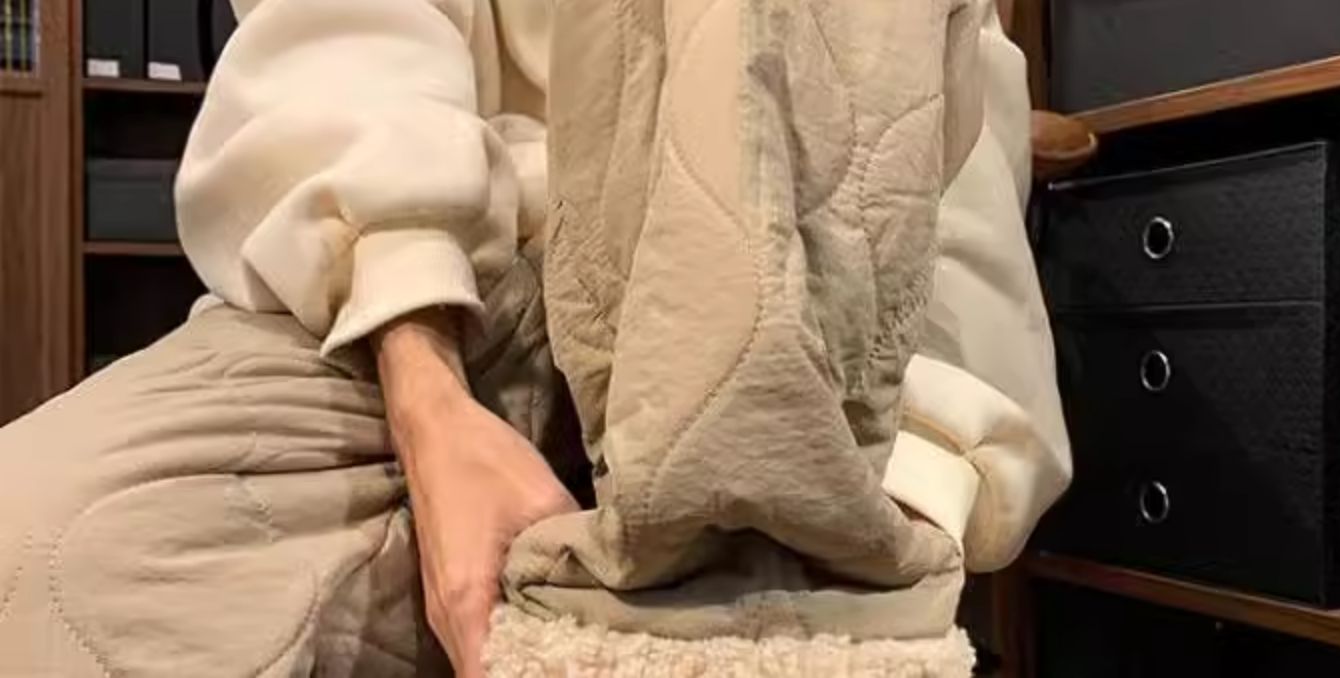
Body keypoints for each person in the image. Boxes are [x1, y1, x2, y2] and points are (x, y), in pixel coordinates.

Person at [0, 0, 1072, 676]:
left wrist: (911, 491)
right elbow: (346, 44)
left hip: (819, 364)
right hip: (458, 282)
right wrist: (428, 400)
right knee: (49, 553)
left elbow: (937, 156)